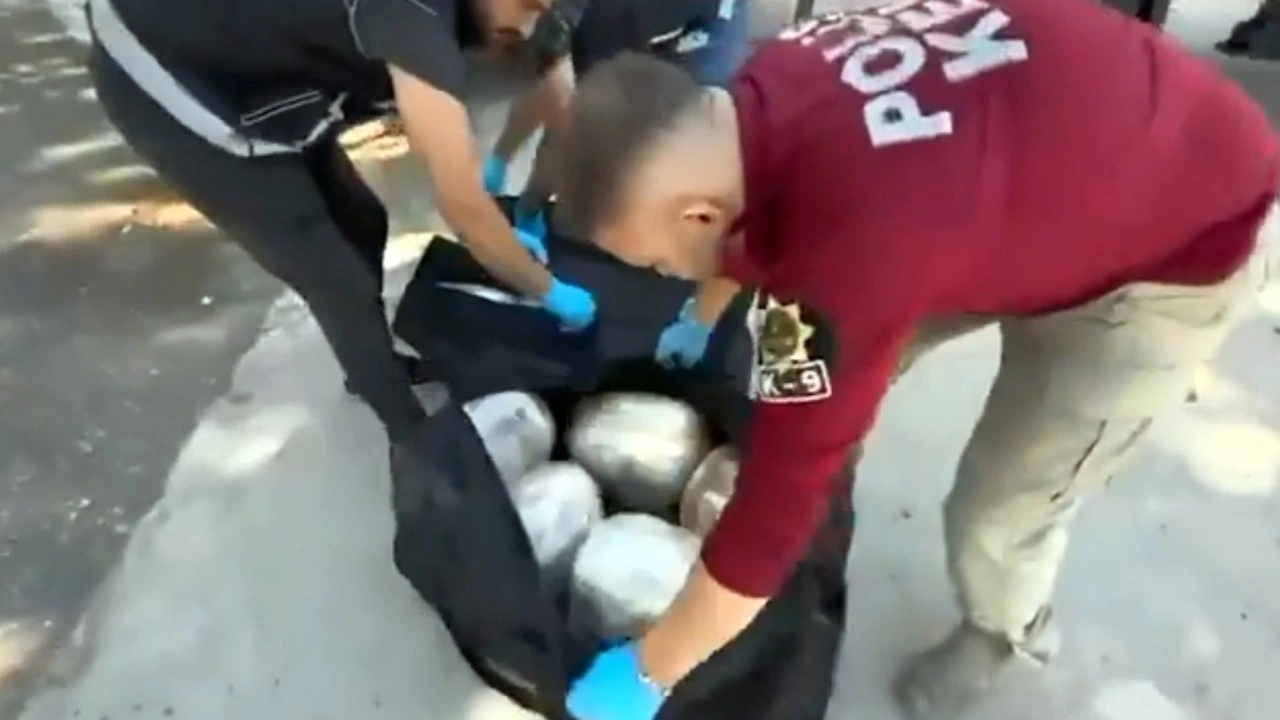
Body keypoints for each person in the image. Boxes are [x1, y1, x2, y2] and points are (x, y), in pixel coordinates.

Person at [551, 0, 1279, 719]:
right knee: (803, 385)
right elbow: (755, 240)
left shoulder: (847, 253)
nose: (668, 274)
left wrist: (651, 671)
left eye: (659, 262)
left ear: (699, 214)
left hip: (1182, 235)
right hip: (1038, 174)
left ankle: (1003, 633)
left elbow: (776, 510)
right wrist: (701, 315)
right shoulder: (762, 88)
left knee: (1000, 510)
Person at [85, 0, 597, 453]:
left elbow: (557, 90)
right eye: (527, 5)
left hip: (249, 54)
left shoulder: (482, 16)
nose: (527, 26)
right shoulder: (411, 16)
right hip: (164, 75)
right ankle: (406, 428)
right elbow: (463, 207)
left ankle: (370, 364)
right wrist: (545, 288)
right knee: (333, 273)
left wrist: (515, 182)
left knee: (363, 219)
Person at [479, 0, 752, 245]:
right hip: (593, 16)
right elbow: (583, 104)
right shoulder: (615, 14)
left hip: (675, 29)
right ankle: (515, 178)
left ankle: (534, 200)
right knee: (563, 103)